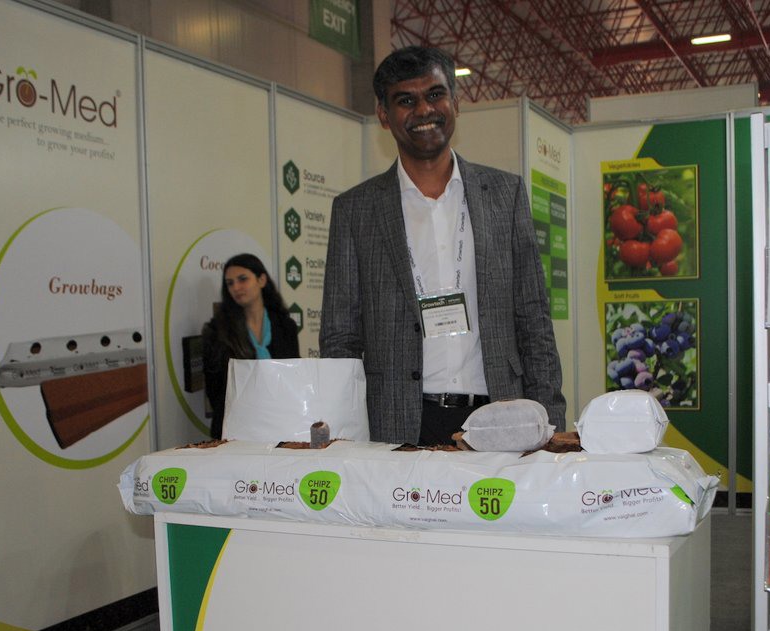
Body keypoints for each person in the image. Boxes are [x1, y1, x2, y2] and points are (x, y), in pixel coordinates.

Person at [320, 45, 566, 445]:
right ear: (383, 114)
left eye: (435, 94)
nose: (424, 110)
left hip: (501, 417)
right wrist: (344, 433)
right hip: (395, 424)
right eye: (406, 100)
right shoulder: (355, 210)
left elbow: (533, 318)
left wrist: (550, 421)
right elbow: (340, 338)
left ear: (455, 101)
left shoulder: (505, 194)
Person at [201, 253, 299, 439]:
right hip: (236, 429)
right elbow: (215, 390)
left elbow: (293, 377)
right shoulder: (217, 331)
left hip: (281, 423)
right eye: (230, 283)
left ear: (261, 280)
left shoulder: (285, 326)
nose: (236, 287)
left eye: (242, 279)